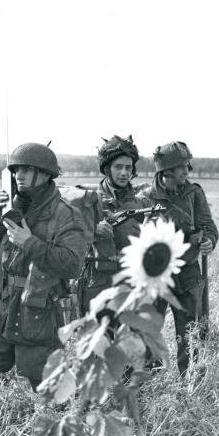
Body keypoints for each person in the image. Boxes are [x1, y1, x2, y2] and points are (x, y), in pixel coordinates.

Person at [0, 143, 86, 396]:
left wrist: (29, 243)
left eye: (27, 169)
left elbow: (73, 265)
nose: (19, 175)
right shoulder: (13, 206)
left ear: (44, 174)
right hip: (5, 310)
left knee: (50, 393)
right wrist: (0, 218)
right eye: (17, 169)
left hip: (39, 314)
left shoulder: (65, 215)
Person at [137, 141, 218, 376]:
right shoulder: (145, 198)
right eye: (182, 166)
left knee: (190, 333)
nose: (187, 170)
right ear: (166, 171)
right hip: (156, 276)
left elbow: (209, 226)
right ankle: (149, 379)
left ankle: (190, 381)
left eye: (187, 165)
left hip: (187, 273)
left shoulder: (194, 194)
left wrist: (209, 240)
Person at [80, 134, 152, 313]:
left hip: (131, 286)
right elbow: (66, 236)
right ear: (106, 169)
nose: (124, 173)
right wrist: (92, 229)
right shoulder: (87, 201)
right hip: (98, 287)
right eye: (118, 167)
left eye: (128, 168)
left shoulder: (142, 204)